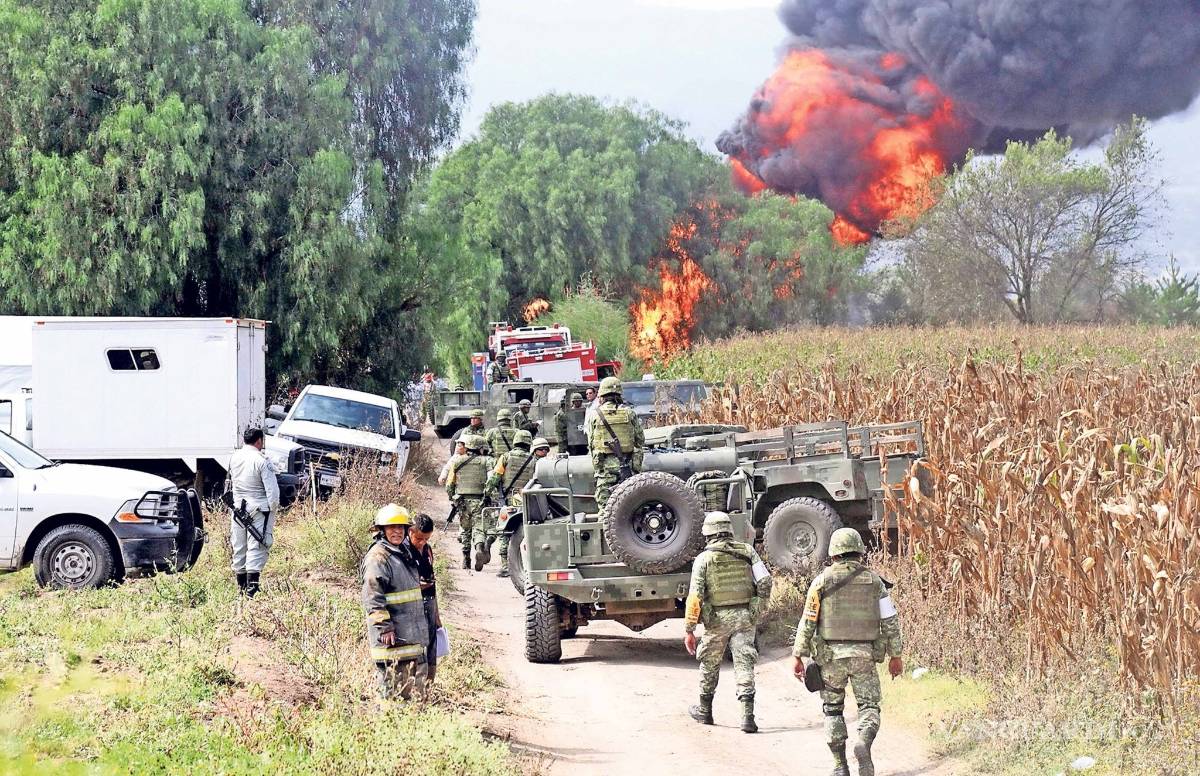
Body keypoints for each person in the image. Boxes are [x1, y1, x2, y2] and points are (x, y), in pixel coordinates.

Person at [793, 528, 903, 776]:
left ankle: (840, 765)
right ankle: (863, 741)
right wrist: (896, 655)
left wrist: (797, 654)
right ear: (860, 553)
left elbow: (808, 620)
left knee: (832, 710)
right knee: (869, 707)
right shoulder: (874, 581)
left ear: (833, 554)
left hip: (831, 659)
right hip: (864, 656)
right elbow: (890, 620)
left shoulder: (821, 581)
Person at [684, 512, 773, 733]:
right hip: (744, 617)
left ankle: (705, 711)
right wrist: (758, 606)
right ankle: (747, 717)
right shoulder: (748, 551)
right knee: (744, 663)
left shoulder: (703, 560)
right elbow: (765, 580)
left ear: (708, 534)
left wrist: (689, 629)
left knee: (709, 664)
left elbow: (695, 597)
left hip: (716, 621)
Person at [361, 504, 430, 701]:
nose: (397, 532)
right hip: (392, 640)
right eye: (392, 528)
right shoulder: (378, 557)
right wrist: (384, 627)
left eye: (401, 527)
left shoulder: (402, 552)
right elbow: (372, 596)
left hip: (408, 639)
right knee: (391, 696)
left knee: (409, 696)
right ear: (381, 530)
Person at [484, 431, 549, 577]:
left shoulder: (505, 457)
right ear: (528, 443)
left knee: (505, 531)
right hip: (526, 500)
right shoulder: (534, 461)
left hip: (508, 499)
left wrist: (487, 493)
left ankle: (505, 566)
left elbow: (495, 477)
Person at [229, 428, 280, 597]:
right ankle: (252, 590)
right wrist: (273, 509)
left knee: (239, 547)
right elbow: (272, 493)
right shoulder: (262, 461)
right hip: (259, 510)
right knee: (257, 547)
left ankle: (241, 589)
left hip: (238, 509)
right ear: (259, 441)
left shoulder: (234, 457)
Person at [587, 377, 644, 511]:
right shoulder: (629, 413)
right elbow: (640, 440)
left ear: (601, 396)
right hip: (628, 466)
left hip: (605, 469)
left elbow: (591, 444)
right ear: (619, 395)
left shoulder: (594, 415)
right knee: (633, 507)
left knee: (605, 509)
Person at [445, 433, 494, 571]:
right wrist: (487, 494)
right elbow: (491, 481)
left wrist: (452, 498)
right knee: (479, 528)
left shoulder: (457, 461)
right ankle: (479, 548)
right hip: (480, 500)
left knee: (465, 529)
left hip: (462, 501)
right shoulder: (487, 461)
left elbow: (449, 484)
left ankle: (466, 559)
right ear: (480, 448)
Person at [405, 513, 441, 686]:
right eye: (419, 538)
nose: (422, 542)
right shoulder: (403, 551)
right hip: (413, 607)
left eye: (426, 539)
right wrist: (416, 586)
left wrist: (437, 615)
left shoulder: (427, 549)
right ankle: (413, 687)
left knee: (432, 647)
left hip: (430, 603)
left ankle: (428, 687)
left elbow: (432, 583)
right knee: (416, 649)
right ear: (410, 531)